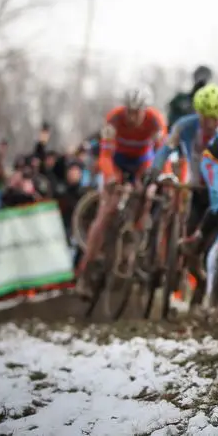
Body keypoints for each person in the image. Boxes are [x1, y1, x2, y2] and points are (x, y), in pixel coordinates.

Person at [75, 87, 167, 298]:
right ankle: (85, 273)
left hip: (142, 163)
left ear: (145, 109)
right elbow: (105, 154)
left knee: (146, 195)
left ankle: (133, 241)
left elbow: (162, 153)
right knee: (106, 210)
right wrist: (111, 177)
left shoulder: (155, 121)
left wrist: (164, 176)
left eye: (138, 112)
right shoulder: (114, 118)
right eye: (130, 111)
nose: (133, 116)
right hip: (117, 162)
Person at [152, 83, 218, 311]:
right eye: (204, 117)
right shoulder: (185, 126)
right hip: (196, 190)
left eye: (214, 117)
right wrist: (155, 169)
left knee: (212, 246)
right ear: (197, 113)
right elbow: (166, 148)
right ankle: (198, 279)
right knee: (188, 245)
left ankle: (213, 294)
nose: (210, 122)